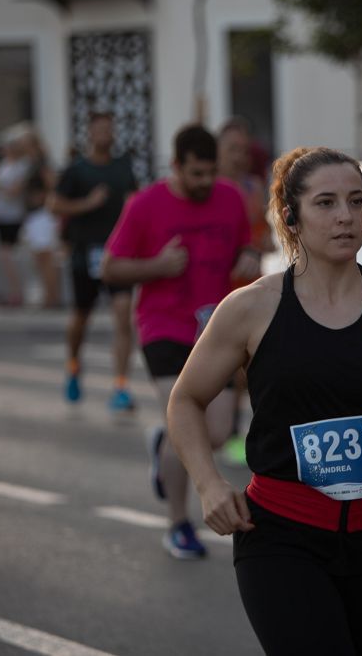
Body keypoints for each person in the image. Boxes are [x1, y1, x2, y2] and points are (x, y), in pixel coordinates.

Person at [166, 146, 362, 654]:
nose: (345, 216)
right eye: (326, 203)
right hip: (281, 538)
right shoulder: (252, 308)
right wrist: (208, 486)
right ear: (292, 217)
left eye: (356, 202)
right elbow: (186, 399)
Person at [102, 124, 260, 558]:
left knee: (217, 430)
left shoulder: (230, 198)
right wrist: (157, 266)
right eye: (196, 174)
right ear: (176, 167)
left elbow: (242, 248)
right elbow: (111, 268)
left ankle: (162, 444)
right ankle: (178, 523)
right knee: (185, 425)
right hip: (164, 327)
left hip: (214, 330)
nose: (206, 182)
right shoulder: (146, 205)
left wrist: (248, 257)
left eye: (210, 172)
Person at [50, 112, 138, 409]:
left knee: (123, 315)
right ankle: (73, 366)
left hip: (119, 254)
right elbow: (53, 204)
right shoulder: (77, 170)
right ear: (90, 133)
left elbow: (136, 202)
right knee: (81, 317)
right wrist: (88, 203)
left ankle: (121, 387)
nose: (104, 134)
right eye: (99, 129)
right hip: (84, 254)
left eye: (109, 129)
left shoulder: (123, 167)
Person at [217, 117, 275, 464]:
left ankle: (244, 433)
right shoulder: (210, 189)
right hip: (215, 292)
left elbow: (267, 236)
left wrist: (256, 247)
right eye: (231, 149)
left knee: (251, 365)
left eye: (243, 149)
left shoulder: (254, 187)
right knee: (225, 368)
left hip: (251, 289)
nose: (239, 156)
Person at [0, 122, 34, 307]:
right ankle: (14, 291)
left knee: (9, 255)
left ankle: (18, 292)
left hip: (13, 216)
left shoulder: (22, 165)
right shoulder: (5, 164)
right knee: (5, 255)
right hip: (1, 215)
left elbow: (15, 190)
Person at [21, 125, 62, 309]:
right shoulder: (31, 162)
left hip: (42, 214)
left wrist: (45, 198)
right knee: (40, 257)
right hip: (33, 214)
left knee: (46, 257)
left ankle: (52, 297)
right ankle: (49, 294)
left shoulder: (41, 163)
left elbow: (53, 184)